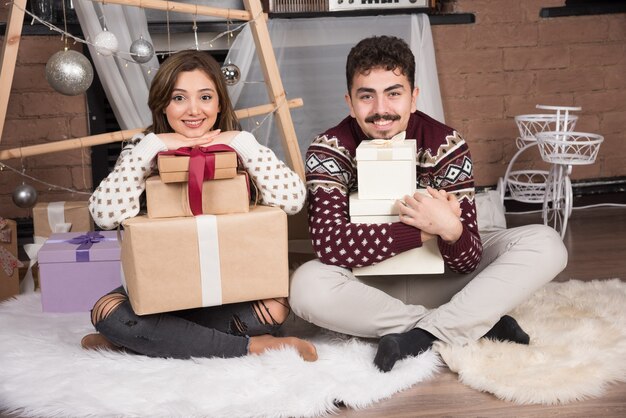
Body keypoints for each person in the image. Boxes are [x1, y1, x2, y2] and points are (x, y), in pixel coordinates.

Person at [289, 36, 567, 372]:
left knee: (545, 243)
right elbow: (330, 245)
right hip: (368, 285)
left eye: (394, 93)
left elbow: (468, 261)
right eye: (367, 96)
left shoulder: (444, 144)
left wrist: (451, 230)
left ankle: (419, 336)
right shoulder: (329, 149)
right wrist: (421, 233)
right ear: (350, 102)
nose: (381, 110)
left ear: (413, 98)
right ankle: (468, 324)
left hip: (440, 276)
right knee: (306, 286)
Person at [81, 50, 317, 362]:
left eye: (205, 97)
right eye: (179, 98)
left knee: (275, 309)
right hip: (160, 292)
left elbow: (293, 200)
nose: (193, 110)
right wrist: (152, 147)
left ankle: (146, 339)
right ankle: (252, 347)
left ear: (219, 104)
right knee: (106, 310)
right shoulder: (142, 151)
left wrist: (241, 143)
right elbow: (104, 215)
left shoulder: (239, 148)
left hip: (231, 290)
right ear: (163, 104)